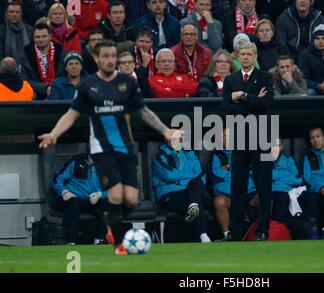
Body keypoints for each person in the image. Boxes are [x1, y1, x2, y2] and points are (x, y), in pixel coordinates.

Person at [38, 39, 180, 255]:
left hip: (125, 149)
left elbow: (144, 112)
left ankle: (108, 219)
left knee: (130, 198)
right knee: (114, 193)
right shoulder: (88, 85)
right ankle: (116, 242)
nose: (110, 60)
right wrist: (54, 134)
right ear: (96, 59)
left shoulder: (128, 84)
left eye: (113, 56)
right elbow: (71, 114)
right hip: (101, 150)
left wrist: (166, 131)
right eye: (105, 56)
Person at [222, 41, 274, 241]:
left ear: (255, 55)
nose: (245, 57)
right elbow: (227, 108)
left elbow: (266, 104)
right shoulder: (230, 80)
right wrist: (252, 100)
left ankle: (263, 230)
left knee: (264, 185)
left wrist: (242, 96)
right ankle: (235, 232)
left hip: (261, 136)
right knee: (237, 186)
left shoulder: (265, 77)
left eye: (248, 54)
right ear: (237, 56)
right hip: (239, 138)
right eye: (241, 54)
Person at [152, 139, 212, 243]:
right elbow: (169, 175)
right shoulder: (160, 156)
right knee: (196, 200)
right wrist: (188, 179)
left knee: (197, 184)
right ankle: (203, 235)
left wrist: (180, 181)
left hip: (189, 192)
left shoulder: (190, 154)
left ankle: (193, 206)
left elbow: (199, 174)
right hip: (169, 193)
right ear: (167, 140)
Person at [210, 128, 259, 241]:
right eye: (224, 136)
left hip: (248, 192)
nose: (227, 139)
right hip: (229, 195)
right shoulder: (216, 155)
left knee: (266, 199)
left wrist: (229, 168)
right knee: (219, 201)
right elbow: (217, 175)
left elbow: (252, 171)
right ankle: (228, 235)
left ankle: (260, 232)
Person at [53, 154, 108, 245]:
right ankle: (71, 241)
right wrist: (64, 192)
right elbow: (57, 179)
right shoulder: (76, 161)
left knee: (108, 202)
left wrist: (99, 195)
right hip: (73, 197)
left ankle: (99, 239)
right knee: (74, 202)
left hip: (93, 200)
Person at [270, 137, 318, 239]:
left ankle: (311, 230)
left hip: (290, 191)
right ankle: (279, 233)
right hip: (274, 192)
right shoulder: (264, 160)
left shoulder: (288, 159)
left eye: (278, 145)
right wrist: (287, 175)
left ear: (282, 147)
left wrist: (277, 180)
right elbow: (266, 177)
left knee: (308, 195)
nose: (275, 148)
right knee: (282, 196)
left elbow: (298, 178)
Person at [22, 22, 67, 100]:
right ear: (33, 37)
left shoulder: (61, 52)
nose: (41, 39)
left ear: (50, 36)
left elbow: (66, 76)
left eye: (44, 36)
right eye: (37, 37)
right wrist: (44, 88)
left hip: (59, 92)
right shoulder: (26, 53)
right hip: (35, 94)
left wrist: (55, 87)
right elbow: (24, 80)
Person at [297, 24, 324, 96]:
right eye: (317, 38)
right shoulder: (305, 55)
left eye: (323, 38)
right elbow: (303, 79)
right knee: (309, 93)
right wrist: (318, 86)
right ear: (313, 41)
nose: (320, 41)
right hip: (314, 88)